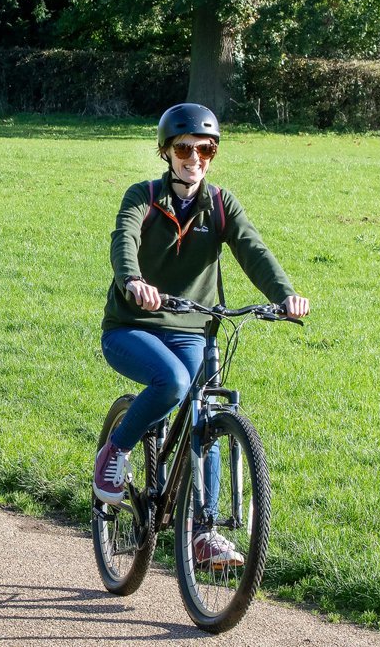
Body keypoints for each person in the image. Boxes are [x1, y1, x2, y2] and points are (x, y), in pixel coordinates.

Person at [94, 103, 310, 568]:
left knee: (207, 415)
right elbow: (123, 240)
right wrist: (133, 281)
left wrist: (286, 294)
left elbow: (253, 250)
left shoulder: (220, 203)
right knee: (171, 382)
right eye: (185, 148)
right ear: (166, 151)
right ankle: (117, 450)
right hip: (134, 325)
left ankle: (205, 532)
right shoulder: (143, 196)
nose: (195, 158)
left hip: (196, 327)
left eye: (206, 149)